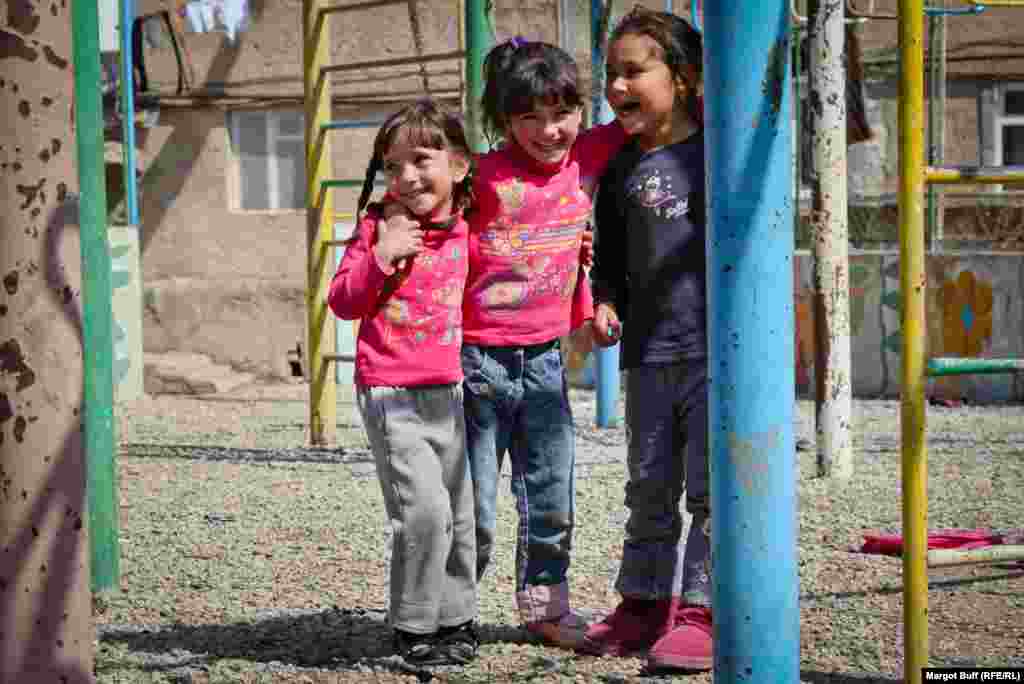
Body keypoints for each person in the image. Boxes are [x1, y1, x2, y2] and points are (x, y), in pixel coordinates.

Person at [461, 37, 625, 650]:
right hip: (475, 361)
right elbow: (424, 211)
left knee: (552, 493)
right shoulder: (479, 175)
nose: (548, 130)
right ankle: (451, 610)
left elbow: (647, 116)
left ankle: (544, 606)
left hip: (546, 361)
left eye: (561, 113)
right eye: (528, 116)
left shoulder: (587, 157)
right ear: (505, 120)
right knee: (472, 506)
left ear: (580, 111)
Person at [326, 100, 479, 668]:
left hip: (451, 390)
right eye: (394, 166)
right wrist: (382, 255)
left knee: (461, 513)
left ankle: (456, 617)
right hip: (391, 391)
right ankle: (414, 625)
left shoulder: (469, 225)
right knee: (422, 513)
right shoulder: (378, 227)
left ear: (459, 166)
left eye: (422, 159)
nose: (408, 176)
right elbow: (342, 301)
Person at [583, 8, 713, 672]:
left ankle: (701, 610)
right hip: (648, 353)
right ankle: (642, 603)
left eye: (634, 71)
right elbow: (608, 257)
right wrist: (604, 301)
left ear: (684, 79)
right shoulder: (619, 168)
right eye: (611, 74)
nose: (616, 86)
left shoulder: (714, 153)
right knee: (649, 485)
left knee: (711, 490)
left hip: (717, 354)